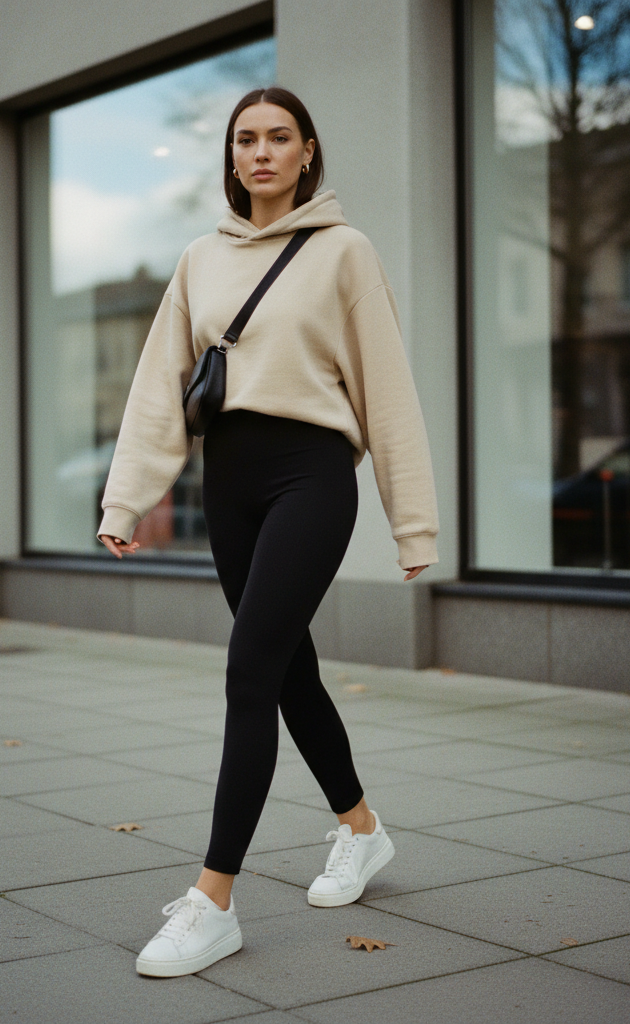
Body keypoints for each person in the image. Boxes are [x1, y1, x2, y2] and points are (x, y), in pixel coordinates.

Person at [97, 86, 439, 977]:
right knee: (288, 671)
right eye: (245, 138)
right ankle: (361, 828)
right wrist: (125, 499)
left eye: (279, 137)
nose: (260, 152)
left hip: (311, 478)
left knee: (248, 669)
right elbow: (158, 384)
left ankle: (213, 901)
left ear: (307, 152)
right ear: (232, 155)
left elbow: (388, 389)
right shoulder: (199, 259)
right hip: (230, 483)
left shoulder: (344, 252)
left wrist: (413, 523)